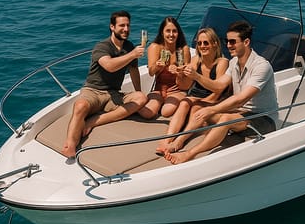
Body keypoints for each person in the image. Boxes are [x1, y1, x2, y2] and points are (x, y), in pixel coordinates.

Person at [165, 20, 278, 164]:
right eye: (227, 41)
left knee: (224, 118)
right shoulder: (234, 62)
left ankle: (189, 154)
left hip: (263, 118)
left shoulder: (262, 66)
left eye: (232, 41)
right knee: (199, 108)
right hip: (240, 113)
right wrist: (196, 76)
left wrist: (212, 110)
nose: (228, 45)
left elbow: (240, 99)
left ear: (246, 42)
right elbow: (219, 86)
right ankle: (179, 140)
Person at [61, 10, 148, 158]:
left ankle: (94, 121)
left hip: (113, 94)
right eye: (122, 25)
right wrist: (133, 54)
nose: (126, 29)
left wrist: (138, 92)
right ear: (112, 27)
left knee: (141, 98)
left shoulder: (129, 46)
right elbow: (109, 65)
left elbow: (134, 70)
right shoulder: (102, 46)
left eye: (128, 25)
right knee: (80, 106)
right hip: (93, 91)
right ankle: (70, 145)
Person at [155, 27, 229, 155]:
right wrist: (179, 74)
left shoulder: (222, 62)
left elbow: (218, 90)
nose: (202, 46)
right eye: (199, 43)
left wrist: (197, 80)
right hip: (196, 95)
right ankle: (167, 139)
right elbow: (184, 86)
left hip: (214, 98)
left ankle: (180, 141)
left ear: (215, 44)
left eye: (206, 43)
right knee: (184, 103)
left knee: (195, 107)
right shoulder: (196, 60)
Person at [138, 17, 192, 119]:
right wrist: (157, 66)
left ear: (178, 33)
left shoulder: (184, 49)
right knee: (147, 113)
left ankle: (170, 106)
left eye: (174, 31)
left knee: (166, 112)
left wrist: (179, 73)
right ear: (162, 33)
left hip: (177, 90)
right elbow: (151, 72)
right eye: (168, 31)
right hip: (159, 89)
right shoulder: (155, 47)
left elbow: (187, 81)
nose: (171, 34)